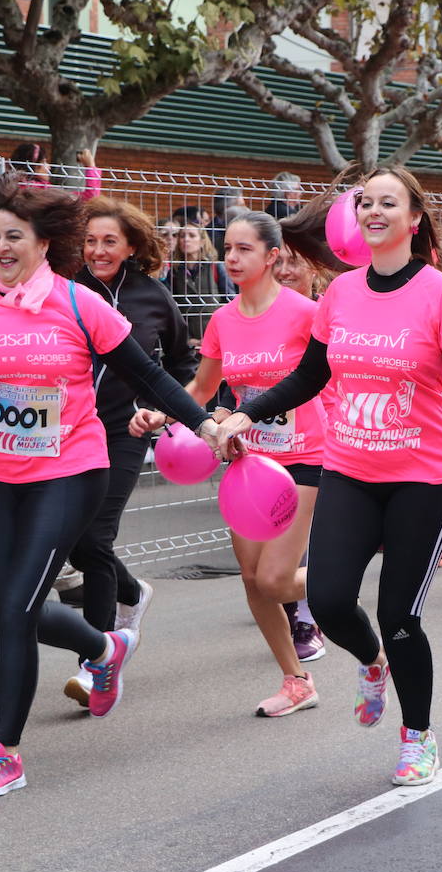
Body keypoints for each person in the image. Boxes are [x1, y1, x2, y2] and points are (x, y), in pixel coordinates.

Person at [0, 179, 213, 798]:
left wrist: (206, 422)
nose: (2, 247)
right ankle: (105, 645)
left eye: (15, 236)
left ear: (43, 244)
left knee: (13, 614)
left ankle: (2, 753)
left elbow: (148, 374)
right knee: (21, 607)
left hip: (71, 469)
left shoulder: (79, 304)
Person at [211, 166, 442, 786]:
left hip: (423, 476)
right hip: (349, 468)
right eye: (364, 202)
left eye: (387, 203)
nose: (373, 211)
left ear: (413, 219)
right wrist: (243, 415)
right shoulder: (340, 294)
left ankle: (417, 735)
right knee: (332, 598)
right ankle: (370, 663)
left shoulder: (441, 292)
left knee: (399, 615)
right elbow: (310, 376)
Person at [137, 210, 330, 715]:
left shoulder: (305, 313)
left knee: (276, 579)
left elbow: (329, 378)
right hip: (249, 462)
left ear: (272, 256)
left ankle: (346, 569)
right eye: (228, 250)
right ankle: (296, 680)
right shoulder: (223, 320)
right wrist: (162, 413)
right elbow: (203, 387)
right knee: (251, 577)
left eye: (245, 249)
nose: (232, 258)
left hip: (305, 457)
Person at [58, 196, 197, 706]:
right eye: (90, 241)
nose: (96, 250)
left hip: (123, 432)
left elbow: (183, 368)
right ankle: (133, 594)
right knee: (74, 540)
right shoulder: (67, 290)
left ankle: (94, 663)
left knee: (94, 539)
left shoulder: (153, 297)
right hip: (63, 431)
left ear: (131, 246)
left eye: (109, 241)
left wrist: (157, 410)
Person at [7, 142, 101, 199]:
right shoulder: (42, 192)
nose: (49, 167)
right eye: (44, 162)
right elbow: (90, 198)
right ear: (32, 165)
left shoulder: (10, 188)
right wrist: (90, 166)